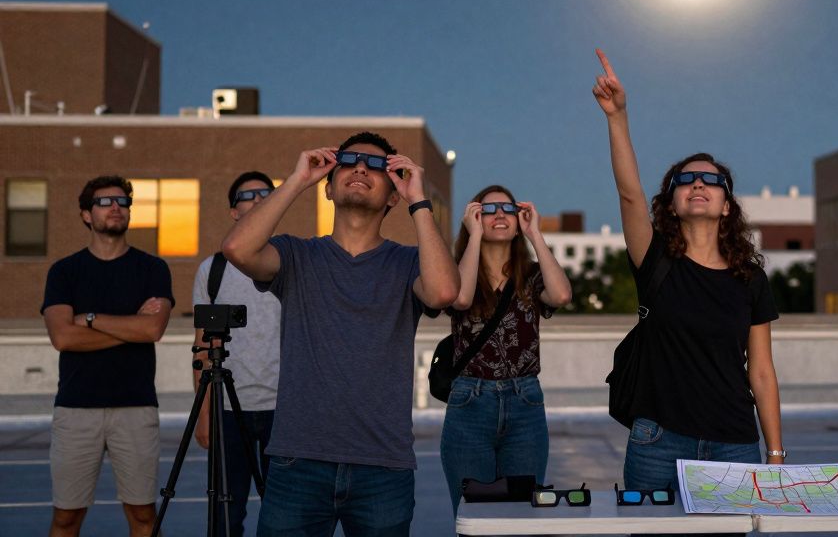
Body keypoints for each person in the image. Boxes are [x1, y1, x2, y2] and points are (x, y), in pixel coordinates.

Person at [222, 132, 460, 536]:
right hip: (298, 461)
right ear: (328, 188)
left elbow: (443, 292)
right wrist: (297, 180)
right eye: (349, 161)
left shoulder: (408, 263)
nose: (361, 168)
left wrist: (418, 200)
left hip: (383, 466)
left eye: (377, 165)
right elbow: (237, 249)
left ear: (393, 196)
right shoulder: (296, 255)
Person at [590, 48, 785, 495]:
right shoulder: (654, 259)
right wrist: (617, 117)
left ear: (727, 206)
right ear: (672, 204)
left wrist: (775, 453)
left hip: (735, 445)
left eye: (712, 181)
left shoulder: (750, 278)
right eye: (686, 180)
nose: (698, 184)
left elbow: (761, 371)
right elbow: (629, 194)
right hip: (658, 442)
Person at [40, 176, 174, 537]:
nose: (116, 207)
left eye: (122, 202)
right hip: (75, 409)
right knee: (66, 519)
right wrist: (130, 327)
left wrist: (89, 319)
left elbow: (152, 330)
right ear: (86, 215)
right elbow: (62, 337)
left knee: (144, 516)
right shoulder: (64, 272)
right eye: (104, 202)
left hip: (135, 408)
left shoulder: (153, 269)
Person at [438, 185, 572, 511]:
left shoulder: (531, 276)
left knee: (523, 515)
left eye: (508, 209)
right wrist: (473, 237)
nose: (499, 214)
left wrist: (535, 233)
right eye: (488, 210)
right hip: (470, 402)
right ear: (474, 218)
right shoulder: (457, 270)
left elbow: (561, 295)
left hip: (524, 401)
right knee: (473, 515)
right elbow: (461, 299)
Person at [190, 170, 281, 536]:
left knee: (286, 519)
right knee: (225, 517)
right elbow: (203, 344)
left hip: (284, 410)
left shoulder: (291, 262)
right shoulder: (212, 270)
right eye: (248, 196)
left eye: (266, 194)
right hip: (228, 410)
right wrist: (204, 414)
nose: (258, 200)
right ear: (233, 211)